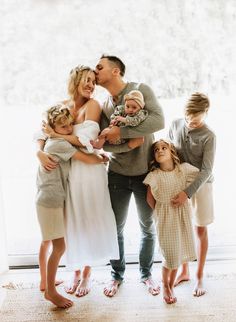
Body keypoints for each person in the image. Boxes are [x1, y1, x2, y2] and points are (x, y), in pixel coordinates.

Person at [36, 65, 119, 299]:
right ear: (75, 80)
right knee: (72, 221)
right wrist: (39, 153)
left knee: (90, 217)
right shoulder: (63, 105)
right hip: (68, 170)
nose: (91, 85)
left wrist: (57, 136)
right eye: (87, 80)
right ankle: (74, 270)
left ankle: (86, 274)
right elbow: (42, 132)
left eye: (94, 81)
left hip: (89, 169)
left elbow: (86, 140)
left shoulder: (94, 105)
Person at [95, 54, 165, 297]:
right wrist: (129, 144)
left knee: (148, 227)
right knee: (116, 228)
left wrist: (121, 130)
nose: (95, 71)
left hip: (146, 174)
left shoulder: (140, 89)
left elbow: (158, 121)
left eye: (99, 67)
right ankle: (116, 276)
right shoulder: (104, 104)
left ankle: (146, 274)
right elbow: (105, 143)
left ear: (116, 71)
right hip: (116, 173)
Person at [36, 104, 107, 308]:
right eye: (63, 127)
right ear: (52, 128)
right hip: (51, 200)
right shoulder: (59, 144)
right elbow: (85, 158)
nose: (68, 129)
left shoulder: (51, 140)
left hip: (47, 198)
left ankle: (45, 283)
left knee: (49, 243)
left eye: (69, 125)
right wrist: (101, 158)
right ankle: (50, 292)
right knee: (60, 246)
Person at [168, 92, 216, 297]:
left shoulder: (209, 136)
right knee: (182, 229)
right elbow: (171, 152)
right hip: (179, 183)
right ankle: (184, 271)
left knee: (199, 230)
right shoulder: (176, 124)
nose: (190, 121)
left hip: (201, 185)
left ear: (206, 113)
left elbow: (207, 170)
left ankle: (199, 276)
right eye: (188, 116)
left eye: (196, 117)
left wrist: (187, 193)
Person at [143, 139, 199, 304]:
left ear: (171, 152)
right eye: (156, 150)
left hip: (182, 218)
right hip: (166, 220)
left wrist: (186, 194)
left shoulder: (183, 170)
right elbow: (149, 199)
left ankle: (171, 285)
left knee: (179, 254)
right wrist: (162, 211)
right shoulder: (154, 175)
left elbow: (201, 175)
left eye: (164, 148)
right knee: (169, 256)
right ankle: (166, 285)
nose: (160, 150)